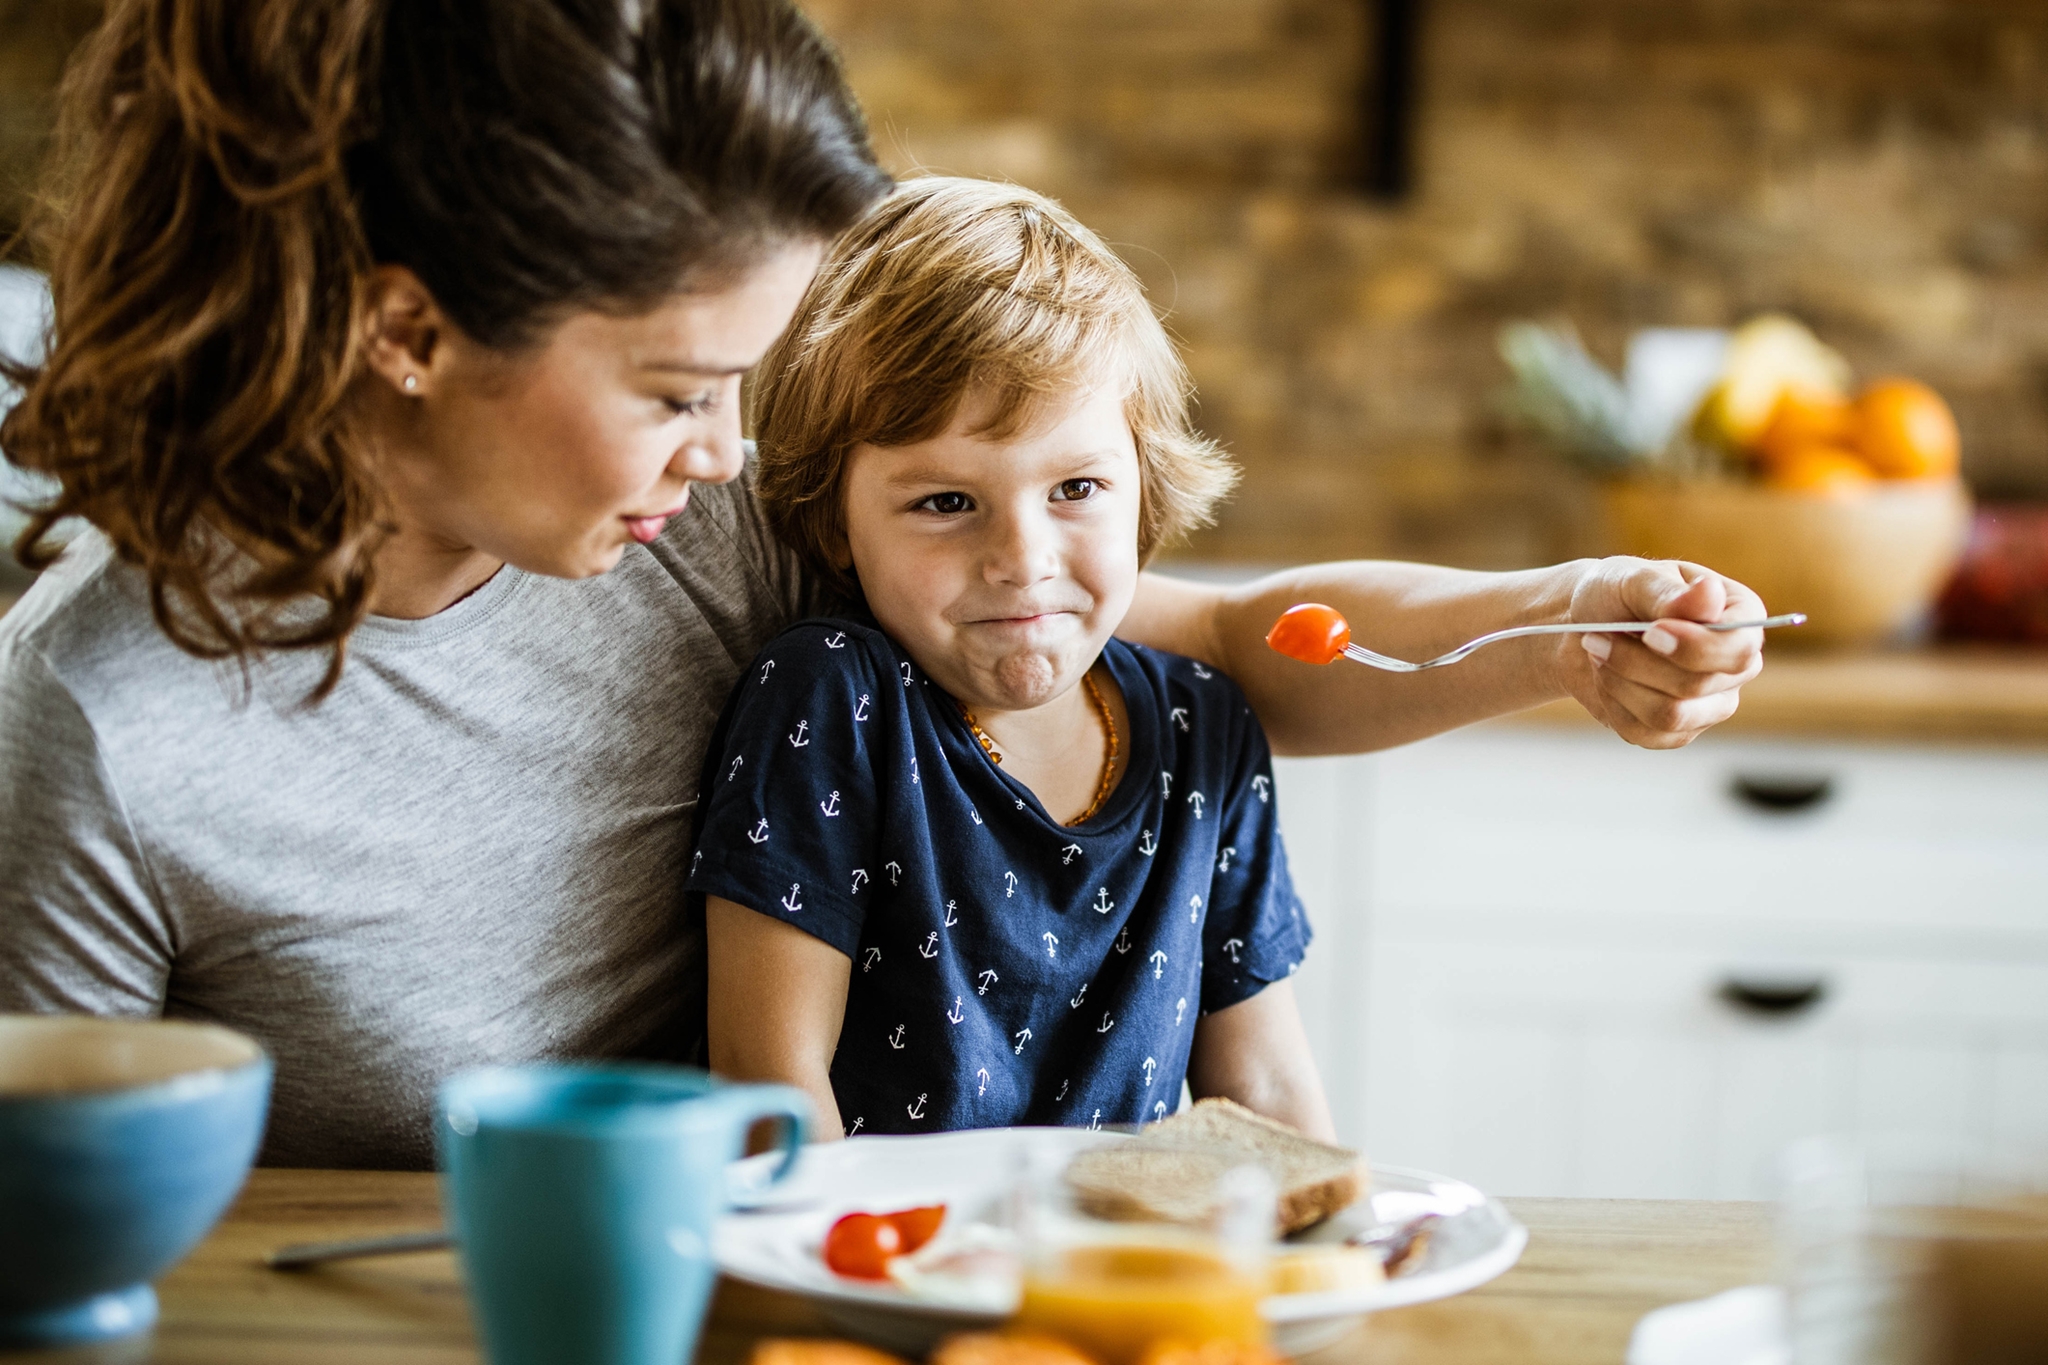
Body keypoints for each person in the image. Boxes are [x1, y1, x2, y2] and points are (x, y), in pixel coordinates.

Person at [0, 0, 1765, 1172]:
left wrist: (1566, 619)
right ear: (405, 330)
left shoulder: (690, 530)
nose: (720, 450)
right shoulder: (99, 729)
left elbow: (1234, 641)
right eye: (679, 392)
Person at [695, 178, 1330, 1141]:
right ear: (834, 525)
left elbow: (1271, 1096)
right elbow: (768, 1082)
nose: (1022, 560)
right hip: (886, 1274)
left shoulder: (1209, 730)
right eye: (946, 502)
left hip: (1123, 1283)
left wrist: (1336, 1263)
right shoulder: (831, 700)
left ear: (1144, 492)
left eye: (1076, 486)